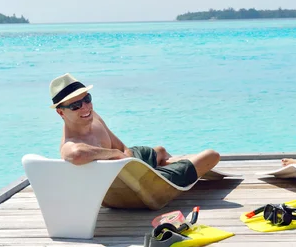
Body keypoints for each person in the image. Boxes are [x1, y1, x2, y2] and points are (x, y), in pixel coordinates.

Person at [50, 73, 220, 187]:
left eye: (87, 99)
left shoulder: (92, 115)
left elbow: (121, 146)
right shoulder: (70, 144)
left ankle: (166, 160)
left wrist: (126, 156)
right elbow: (77, 154)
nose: (85, 107)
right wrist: (115, 155)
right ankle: (171, 165)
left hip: (132, 162)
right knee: (211, 156)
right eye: (76, 105)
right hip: (134, 183)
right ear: (60, 112)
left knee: (159, 150)